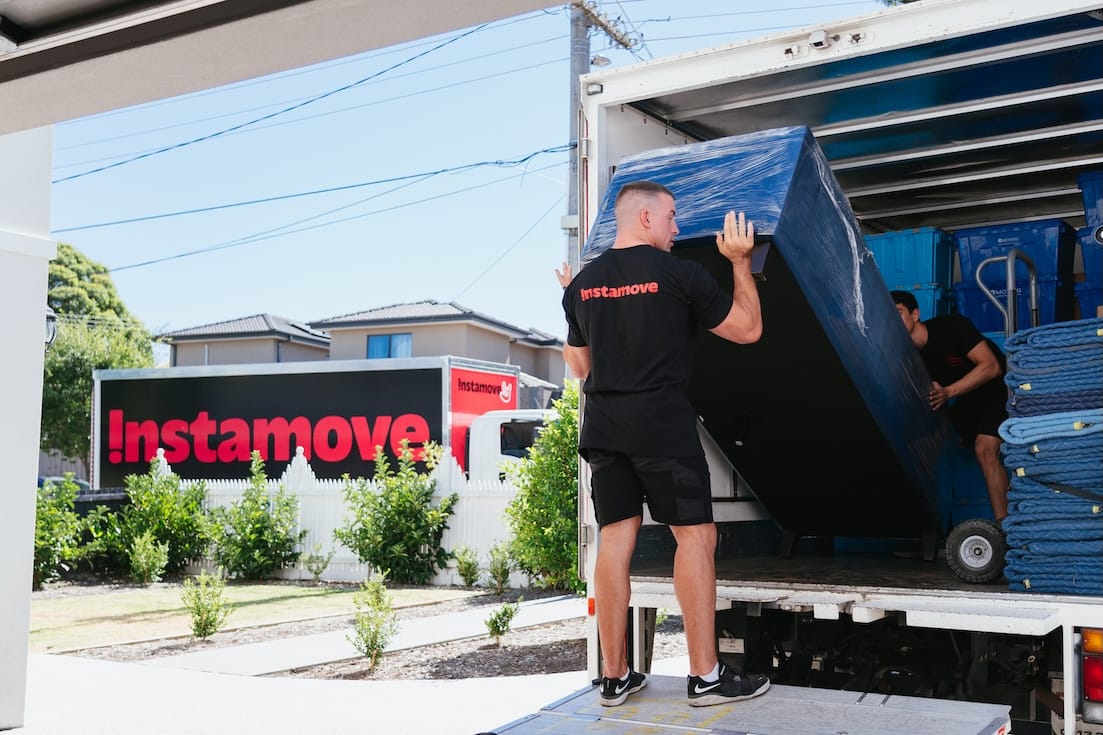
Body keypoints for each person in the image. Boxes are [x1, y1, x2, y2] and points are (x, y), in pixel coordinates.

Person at [559, 180, 770, 708]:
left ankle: (613, 677)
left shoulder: (581, 284)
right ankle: (705, 677)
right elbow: (747, 331)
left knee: (614, 540)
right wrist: (740, 262)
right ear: (646, 218)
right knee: (695, 539)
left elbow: (581, 367)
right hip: (661, 426)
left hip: (604, 431)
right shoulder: (680, 275)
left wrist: (582, 311)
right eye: (673, 217)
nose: (678, 229)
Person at [891, 290, 1010, 522]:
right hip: (966, 401)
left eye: (899, 313)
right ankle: (925, 532)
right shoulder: (906, 358)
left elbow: (991, 367)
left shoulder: (952, 326)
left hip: (1001, 389)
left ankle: (1006, 531)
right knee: (921, 447)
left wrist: (948, 392)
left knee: (984, 449)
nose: (894, 321)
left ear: (915, 314)